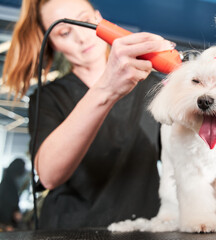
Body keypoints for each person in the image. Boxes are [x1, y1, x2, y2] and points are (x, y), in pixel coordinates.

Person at [3, 0, 175, 229]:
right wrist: (106, 89)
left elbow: (180, 155)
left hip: (142, 227)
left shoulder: (151, 86)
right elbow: (48, 175)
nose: (82, 38)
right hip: (72, 230)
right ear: (53, 43)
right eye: (64, 33)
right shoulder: (49, 97)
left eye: (85, 21)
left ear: (98, 17)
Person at [0, 158, 26, 231]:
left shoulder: (9, 181)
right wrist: (7, 223)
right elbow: (5, 205)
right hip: (6, 224)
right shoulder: (7, 184)